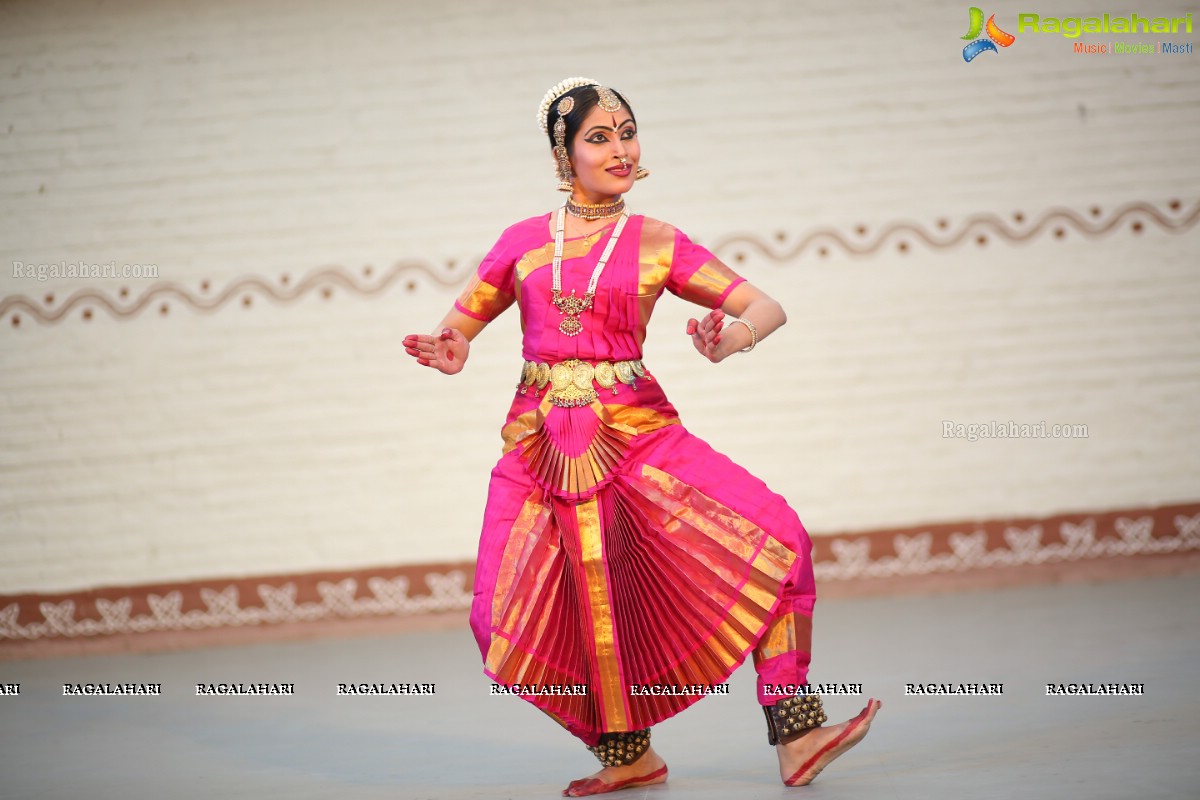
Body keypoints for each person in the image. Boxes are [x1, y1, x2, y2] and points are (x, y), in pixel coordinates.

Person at [403, 77, 881, 797]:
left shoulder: (660, 243)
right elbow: (458, 327)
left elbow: (764, 304)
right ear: (565, 154)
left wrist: (733, 339)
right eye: (599, 137)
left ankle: (796, 727)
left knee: (780, 539)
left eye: (627, 132)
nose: (620, 149)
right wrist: (450, 350)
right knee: (500, 613)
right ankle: (624, 752)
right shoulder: (523, 243)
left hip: (639, 434)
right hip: (539, 446)